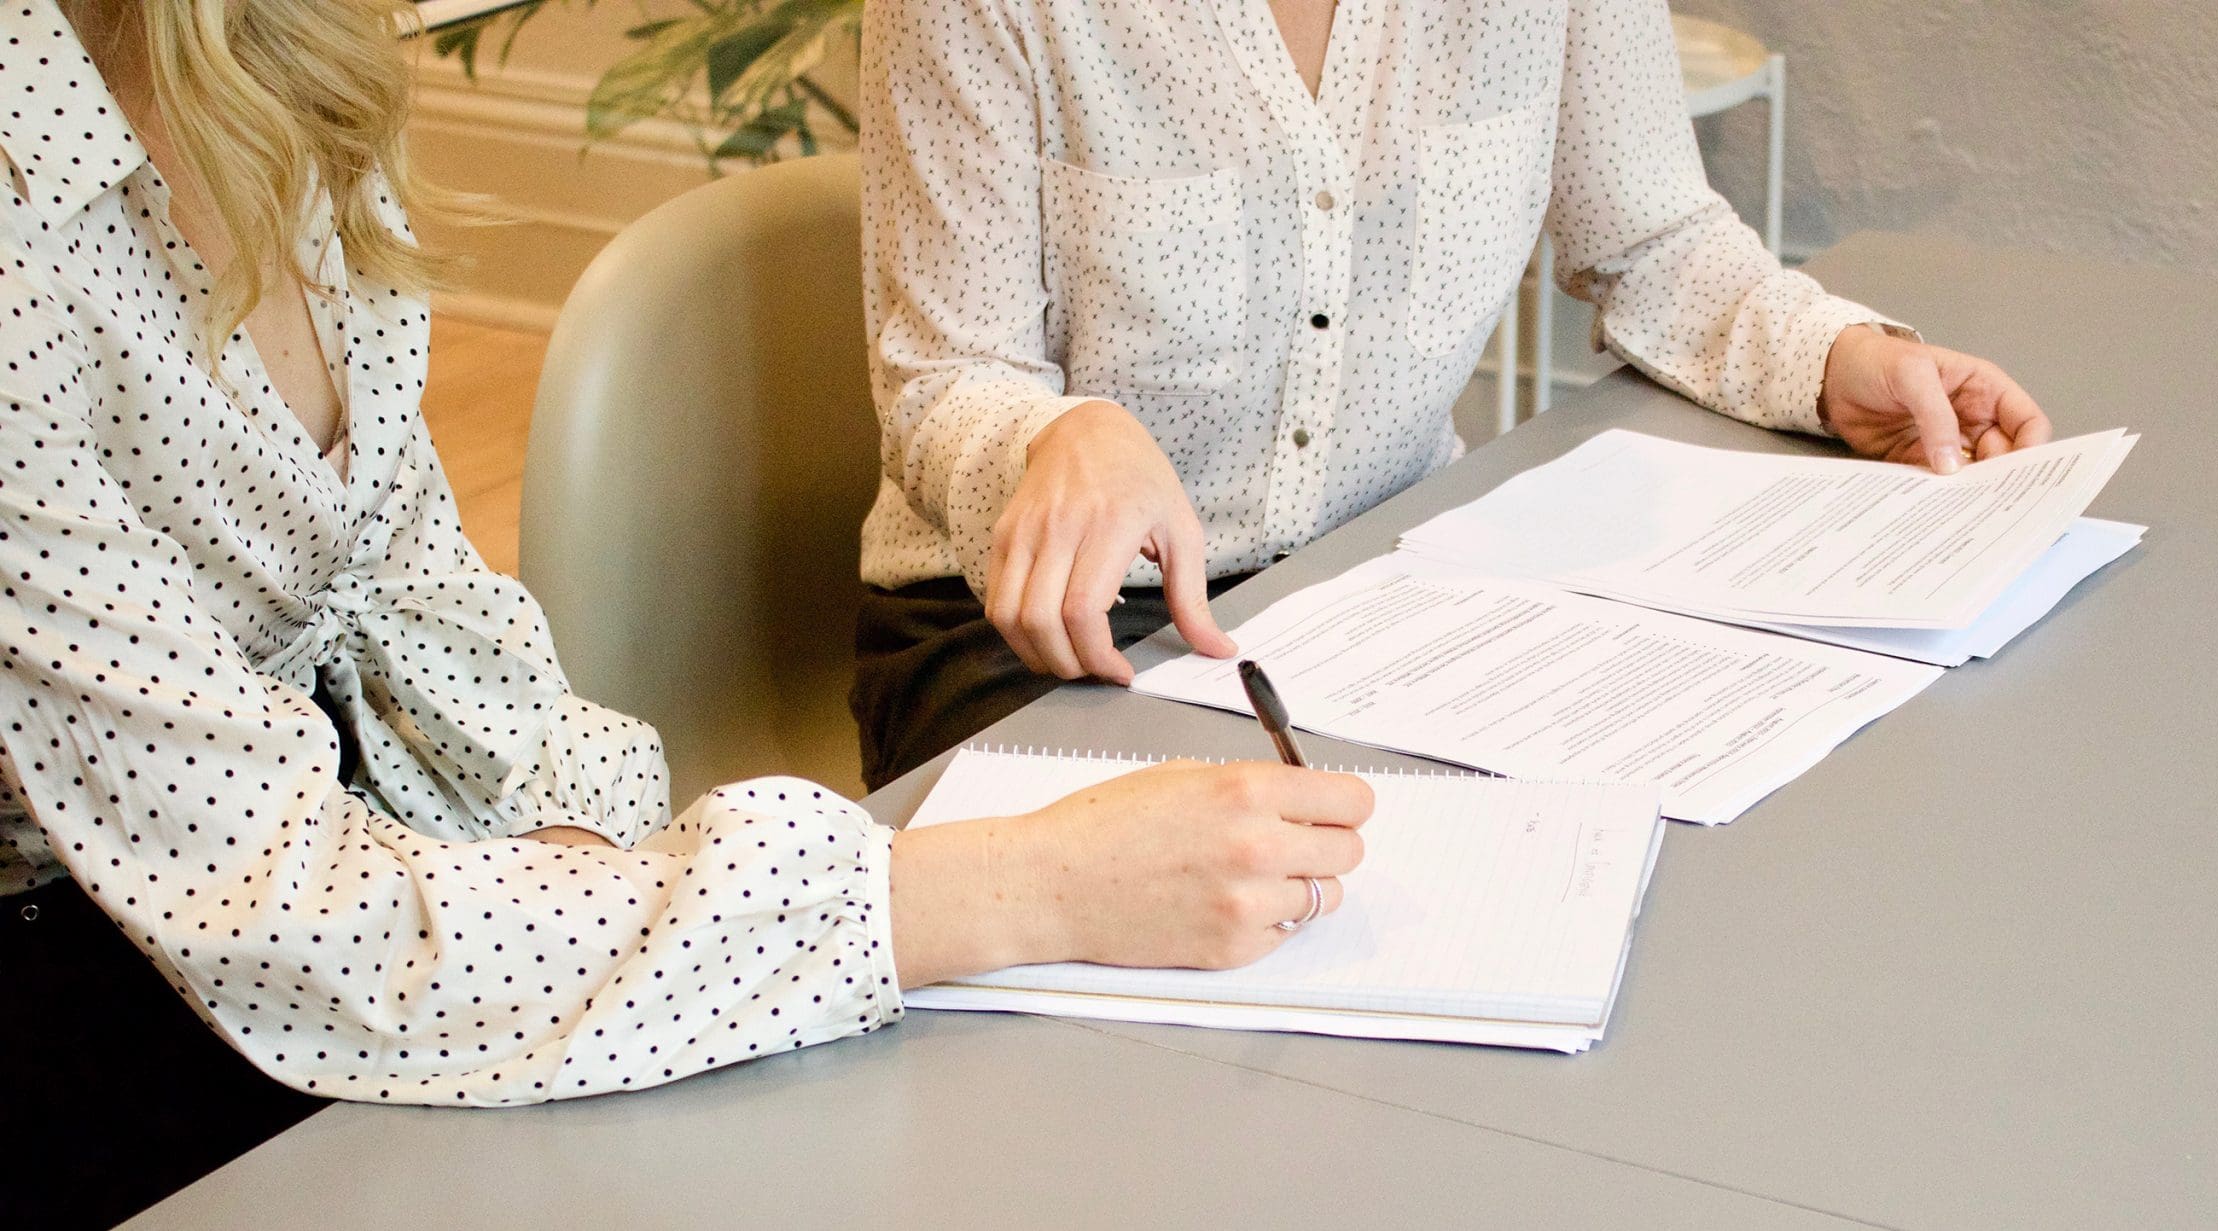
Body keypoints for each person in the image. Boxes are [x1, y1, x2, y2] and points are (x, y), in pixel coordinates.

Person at [0, 4, 1370, 1226]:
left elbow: (420, 609)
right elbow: (292, 914)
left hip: (337, 863)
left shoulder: (283, 64)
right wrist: (1029, 886)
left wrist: (588, 855)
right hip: (108, 967)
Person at [853, 0, 2057, 786]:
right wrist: (1058, 436)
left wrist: (1836, 358)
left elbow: (1650, 236)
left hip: (1377, 593)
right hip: (1039, 635)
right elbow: (944, 375)